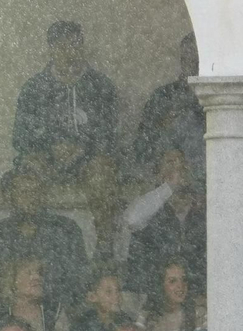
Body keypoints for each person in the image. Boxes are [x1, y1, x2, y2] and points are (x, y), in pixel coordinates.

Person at [12, 20, 118, 177]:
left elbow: (110, 134)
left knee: (102, 170)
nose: (69, 53)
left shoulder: (101, 86)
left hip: (89, 159)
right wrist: (51, 148)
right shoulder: (34, 88)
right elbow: (21, 137)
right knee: (29, 170)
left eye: (74, 46)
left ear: (82, 48)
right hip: (47, 159)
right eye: (61, 47)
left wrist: (82, 149)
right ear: (51, 50)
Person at [0, 167, 90, 310]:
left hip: (59, 309)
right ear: (8, 197)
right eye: (23, 192)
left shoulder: (66, 229)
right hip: (10, 312)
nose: (31, 198)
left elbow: (80, 279)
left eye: (36, 191)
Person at [123, 149, 206, 297]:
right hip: (153, 297)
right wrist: (169, 186)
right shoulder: (151, 208)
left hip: (194, 296)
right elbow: (132, 219)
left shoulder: (200, 211)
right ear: (159, 172)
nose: (177, 169)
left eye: (182, 164)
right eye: (170, 163)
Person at [132, 32, 204, 180]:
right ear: (181, 59)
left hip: (206, 180)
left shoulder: (220, 101)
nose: (192, 63)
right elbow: (141, 149)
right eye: (188, 58)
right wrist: (161, 128)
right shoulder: (162, 97)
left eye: (196, 59)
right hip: (165, 181)